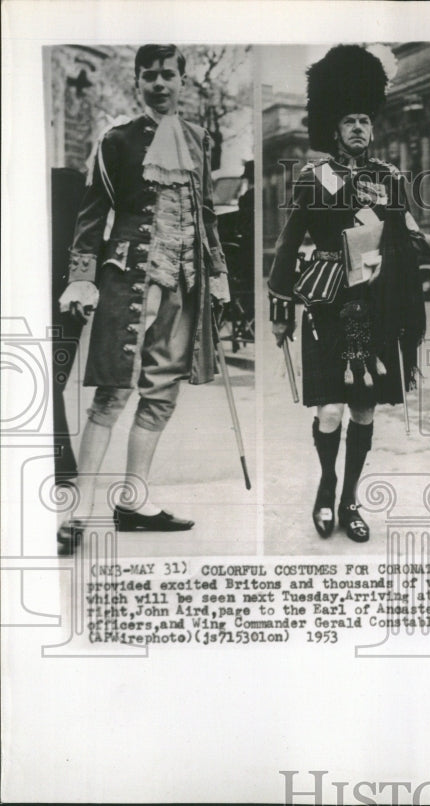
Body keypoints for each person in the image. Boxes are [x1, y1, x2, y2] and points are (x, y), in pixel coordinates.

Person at [56, 44, 231, 555]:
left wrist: (217, 270)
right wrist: (82, 277)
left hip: (185, 281)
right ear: (137, 81)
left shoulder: (200, 139)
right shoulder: (116, 140)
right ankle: (78, 511)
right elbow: (92, 216)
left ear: (182, 81)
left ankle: (132, 502)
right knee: (112, 393)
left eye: (168, 75)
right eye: (149, 76)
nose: (159, 84)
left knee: (161, 395)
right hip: (129, 279)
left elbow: (206, 215)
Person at [268, 45, 429, 542]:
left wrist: (398, 241)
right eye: (349, 121)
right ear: (333, 129)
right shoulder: (313, 180)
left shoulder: (391, 179)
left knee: (363, 410)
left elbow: (414, 238)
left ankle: (350, 499)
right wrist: (280, 309)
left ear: (372, 127)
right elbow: (287, 245)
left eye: (365, 120)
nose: (358, 128)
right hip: (327, 303)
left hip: (376, 306)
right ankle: (327, 484)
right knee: (331, 410)